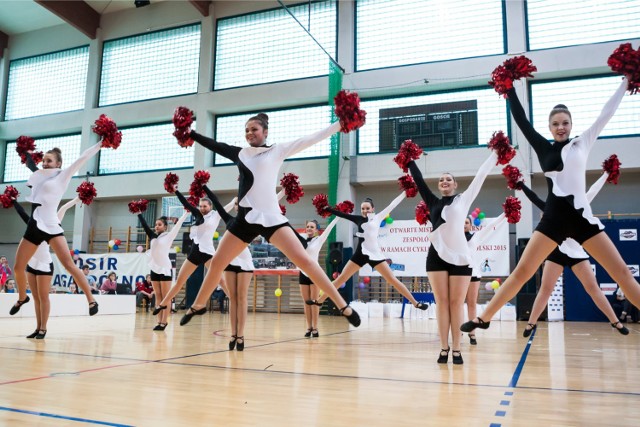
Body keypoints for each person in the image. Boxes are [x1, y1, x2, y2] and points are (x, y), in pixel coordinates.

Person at [461, 76, 640, 334]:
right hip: (553, 219)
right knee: (522, 270)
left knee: (622, 272)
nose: (561, 127)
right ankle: (484, 317)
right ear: (549, 127)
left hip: (582, 219)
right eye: (555, 124)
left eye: (565, 123)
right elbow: (521, 121)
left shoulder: (582, 142)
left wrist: (627, 82)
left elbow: (606, 113)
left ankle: (616, 320)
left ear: (571, 124)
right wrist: (509, 89)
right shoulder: (543, 148)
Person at [179, 113, 361, 328]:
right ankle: (199, 305)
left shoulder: (278, 150)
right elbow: (214, 144)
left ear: (265, 132)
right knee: (218, 262)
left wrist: (339, 125)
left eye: (254, 129)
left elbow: (311, 138)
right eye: (246, 130)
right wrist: (191, 133)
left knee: (306, 262)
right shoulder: (242, 153)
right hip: (245, 219)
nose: (249, 133)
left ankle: (342, 305)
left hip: (271, 217)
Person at [408, 149, 498, 365]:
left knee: (457, 303)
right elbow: (419, 181)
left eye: (448, 179)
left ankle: (457, 348)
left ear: (455, 184)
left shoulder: (463, 200)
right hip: (436, 257)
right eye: (441, 180)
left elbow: (481, 174)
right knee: (442, 302)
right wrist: (409, 159)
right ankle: (443, 347)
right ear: (439, 185)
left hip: (460, 258)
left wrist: (496, 153)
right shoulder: (432, 202)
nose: (444, 181)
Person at [518, 171, 629, 336]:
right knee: (546, 288)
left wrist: (606, 174)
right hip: (557, 251)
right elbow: (535, 198)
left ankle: (615, 321)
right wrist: (521, 185)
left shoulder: (579, 204)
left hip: (577, 253)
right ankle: (531, 323)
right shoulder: (552, 208)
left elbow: (593, 190)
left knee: (593, 288)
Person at [10, 145, 102, 316]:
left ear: (59, 163)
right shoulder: (39, 176)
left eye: (49, 161)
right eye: (43, 160)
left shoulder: (63, 175)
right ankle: (22, 298)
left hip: (52, 225)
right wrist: (24, 151)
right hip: (35, 225)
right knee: (17, 267)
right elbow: (31, 165)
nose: (45, 163)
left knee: (69, 265)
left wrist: (101, 143)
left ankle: (91, 300)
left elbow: (83, 157)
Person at [313, 195, 429, 312]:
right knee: (341, 278)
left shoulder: (378, 218)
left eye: (367, 208)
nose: (365, 211)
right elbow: (342, 214)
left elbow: (392, 204)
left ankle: (415, 303)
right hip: (359, 255)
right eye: (363, 208)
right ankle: (320, 300)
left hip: (375, 255)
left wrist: (405, 192)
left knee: (392, 279)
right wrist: (327, 208)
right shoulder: (357, 219)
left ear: (373, 209)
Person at [152, 185, 235, 315]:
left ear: (210, 207)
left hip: (208, 253)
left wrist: (237, 198)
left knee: (222, 280)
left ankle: (235, 302)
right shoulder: (197, 215)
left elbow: (230, 204)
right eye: (200, 206)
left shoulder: (216, 214)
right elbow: (186, 203)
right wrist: (176, 191)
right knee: (180, 281)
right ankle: (162, 304)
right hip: (195, 252)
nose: (202, 208)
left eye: (205, 206)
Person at [12, 196, 81, 339]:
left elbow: (63, 208)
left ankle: (44, 328)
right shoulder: (33, 223)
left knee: (44, 298)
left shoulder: (53, 223)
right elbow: (22, 213)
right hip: (32, 264)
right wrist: (13, 200)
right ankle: (37, 328)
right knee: (36, 298)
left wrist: (76, 199)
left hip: (44, 265)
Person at [205, 188, 255, 351]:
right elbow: (217, 203)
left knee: (241, 297)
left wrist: (283, 191)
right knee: (233, 298)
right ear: (234, 207)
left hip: (245, 262)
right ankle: (233, 334)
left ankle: (240, 335)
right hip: (230, 260)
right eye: (236, 203)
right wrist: (204, 185)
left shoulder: (252, 219)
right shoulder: (229, 220)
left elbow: (270, 201)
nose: (237, 205)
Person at [138, 212, 189, 331]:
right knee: (158, 295)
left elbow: (179, 224)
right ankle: (159, 321)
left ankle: (164, 322)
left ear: (165, 227)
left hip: (165, 268)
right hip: (154, 268)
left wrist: (186, 213)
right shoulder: (153, 236)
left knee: (166, 297)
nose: (156, 226)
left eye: (159, 224)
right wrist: (139, 214)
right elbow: (145, 226)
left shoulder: (169, 235)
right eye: (156, 225)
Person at [464, 213, 507, 345]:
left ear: (471, 225)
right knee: (457, 304)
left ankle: (472, 333)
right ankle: (457, 330)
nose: (464, 225)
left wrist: (505, 214)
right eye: (462, 222)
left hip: (473, 273)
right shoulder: (453, 238)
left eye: (466, 222)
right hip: (457, 274)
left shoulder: (476, 237)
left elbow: (491, 225)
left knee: (472, 303)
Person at [298, 218, 339, 338]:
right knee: (306, 302)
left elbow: (329, 228)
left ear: (316, 230)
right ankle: (308, 327)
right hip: (303, 272)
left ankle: (315, 327)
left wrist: (338, 216)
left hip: (314, 273)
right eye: (308, 226)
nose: (309, 229)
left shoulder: (319, 240)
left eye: (312, 227)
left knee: (314, 302)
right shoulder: (301, 238)